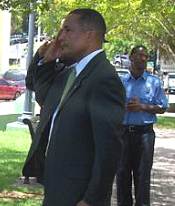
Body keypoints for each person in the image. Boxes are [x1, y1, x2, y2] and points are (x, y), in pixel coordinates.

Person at [23, 8, 125, 206]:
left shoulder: (104, 79)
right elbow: (44, 97)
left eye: (67, 30)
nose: (60, 38)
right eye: (61, 31)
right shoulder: (70, 73)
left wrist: (91, 199)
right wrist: (47, 61)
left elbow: (109, 149)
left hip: (78, 194)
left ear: (89, 36)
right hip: (56, 186)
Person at [116, 45, 169, 206]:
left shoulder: (154, 82)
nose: (144, 59)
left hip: (145, 135)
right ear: (131, 58)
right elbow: (110, 104)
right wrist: (123, 106)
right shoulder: (121, 82)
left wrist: (142, 107)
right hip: (123, 134)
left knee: (143, 175)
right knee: (123, 174)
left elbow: (162, 107)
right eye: (140, 55)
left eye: (146, 56)